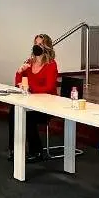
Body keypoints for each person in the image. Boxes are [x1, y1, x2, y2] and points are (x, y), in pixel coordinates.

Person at [8, 34, 59, 162]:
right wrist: (19, 72)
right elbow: (18, 82)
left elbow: (49, 87)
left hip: (47, 105)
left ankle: (36, 152)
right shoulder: (29, 62)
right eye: (36, 43)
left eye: (41, 44)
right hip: (31, 102)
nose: (37, 46)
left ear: (47, 47)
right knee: (13, 111)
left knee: (28, 117)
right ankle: (14, 149)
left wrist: (30, 88)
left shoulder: (51, 65)